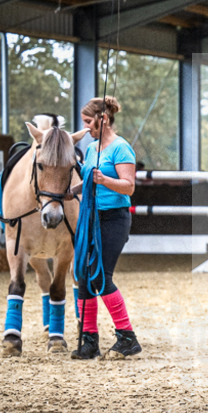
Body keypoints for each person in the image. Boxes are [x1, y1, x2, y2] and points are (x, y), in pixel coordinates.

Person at [71, 96, 142, 360]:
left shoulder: (121, 148)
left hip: (114, 219)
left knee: (100, 276)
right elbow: (91, 180)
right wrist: (74, 190)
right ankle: (89, 341)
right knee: (83, 276)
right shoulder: (91, 150)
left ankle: (127, 337)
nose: (86, 127)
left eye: (89, 122)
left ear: (103, 119)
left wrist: (105, 179)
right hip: (91, 218)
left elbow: (128, 186)